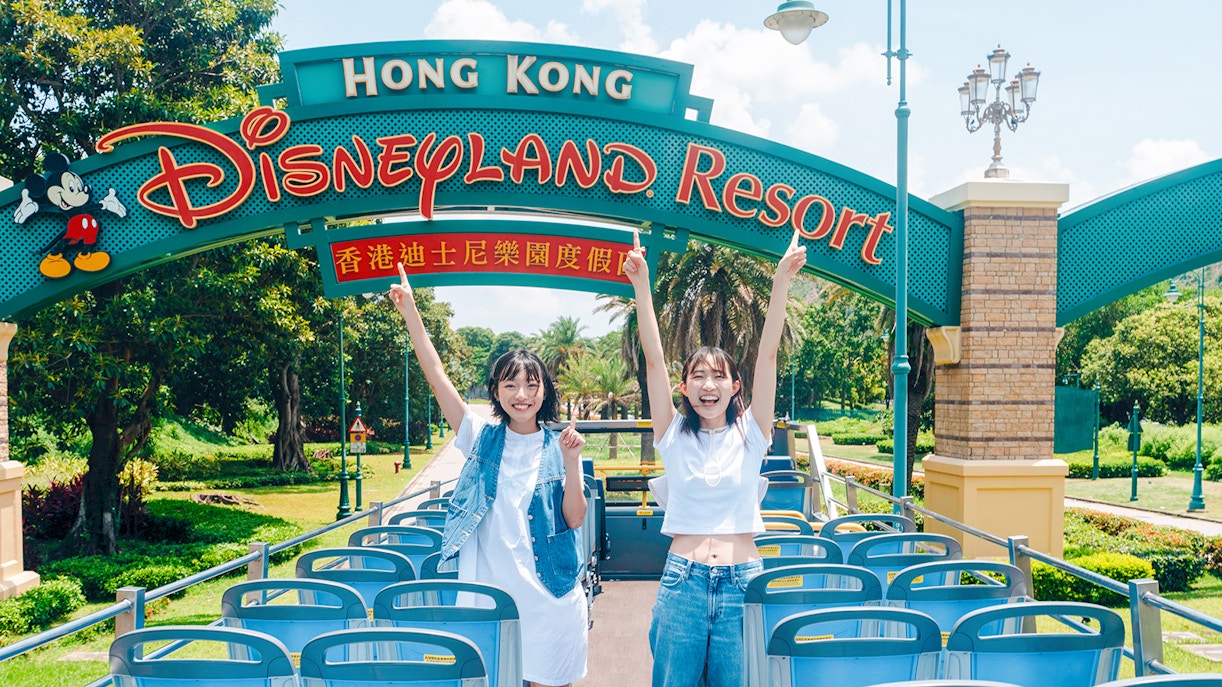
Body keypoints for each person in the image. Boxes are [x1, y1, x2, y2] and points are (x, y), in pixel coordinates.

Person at [389, 263, 589, 687]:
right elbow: (437, 375)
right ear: (495, 391)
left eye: (532, 385)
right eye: (511, 385)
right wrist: (411, 312)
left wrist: (572, 465)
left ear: (545, 392)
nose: (522, 395)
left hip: (550, 594)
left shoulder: (561, 443)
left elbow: (574, 519)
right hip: (489, 596)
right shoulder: (478, 436)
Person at [623, 230, 806, 687]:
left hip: (744, 581)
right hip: (681, 582)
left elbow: (767, 357)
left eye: (719, 376)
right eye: (697, 376)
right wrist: (641, 287)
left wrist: (781, 281)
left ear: (734, 387)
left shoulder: (752, 434)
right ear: (684, 388)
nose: (708, 384)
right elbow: (653, 359)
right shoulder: (672, 434)